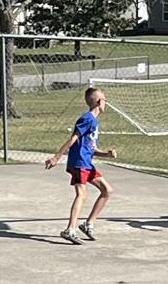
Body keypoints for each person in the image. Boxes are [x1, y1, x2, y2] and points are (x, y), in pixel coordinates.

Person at [45, 86, 117, 244]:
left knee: (107, 190)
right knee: (82, 194)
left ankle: (88, 224)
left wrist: (106, 154)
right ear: (99, 101)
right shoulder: (87, 119)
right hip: (79, 162)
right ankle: (70, 229)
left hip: (87, 163)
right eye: (105, 99)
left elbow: (91, 148)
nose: (106, 103)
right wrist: (57, 157)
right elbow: (73, 139)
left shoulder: (94, 122)